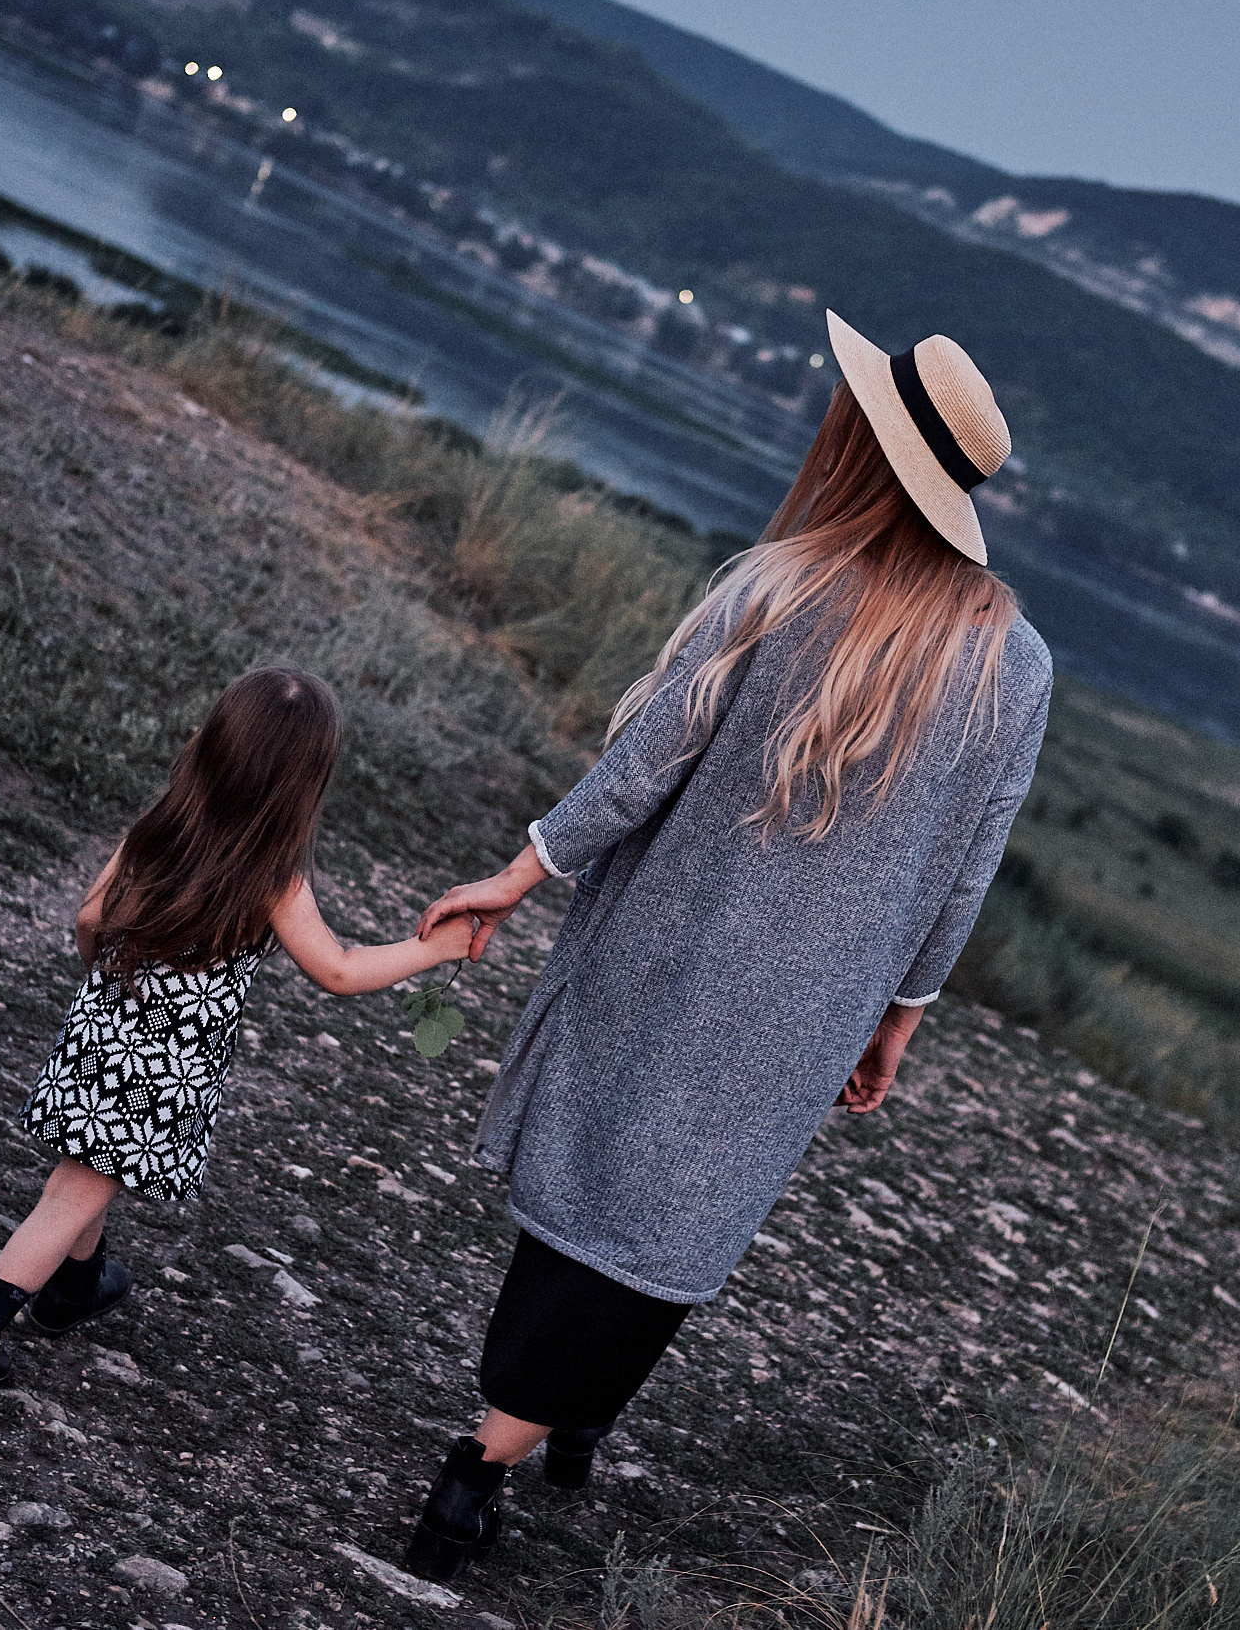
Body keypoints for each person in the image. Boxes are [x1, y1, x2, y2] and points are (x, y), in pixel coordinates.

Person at [398, 312, 1052, 1582]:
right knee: (677, 1225)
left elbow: (641, 767)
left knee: (595, 1187)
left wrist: (521, 872)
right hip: (808, 1013)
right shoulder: (1012, 666)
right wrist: (897, 1018)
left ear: (860, 443)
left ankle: (482, 1464)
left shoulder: (780, 583)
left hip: (664, 952)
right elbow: (966, 869)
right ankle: (559, 1427)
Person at [0, 666, 476, 1390]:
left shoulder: (161, 828)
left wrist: (103, 976)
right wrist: (434, 949)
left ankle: (73, 1289)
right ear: (303, 783)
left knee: (89, 1174)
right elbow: (338, 967)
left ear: (214, 741)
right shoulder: (273, 877)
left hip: (102, 1026)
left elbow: (90, 919)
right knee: (72, 1194)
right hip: (166, 1064)